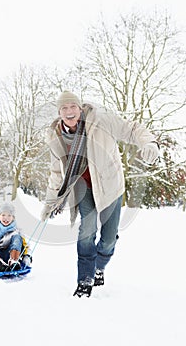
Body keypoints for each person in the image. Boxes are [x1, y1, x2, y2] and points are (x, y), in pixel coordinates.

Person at [41, 91, 160, 298]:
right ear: (59, 112)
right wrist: (51, 202)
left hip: (109, 185)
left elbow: (131, 129)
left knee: (108, 240)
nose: (69, 112)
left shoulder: (101, 120)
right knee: (86, 230)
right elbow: (56, 172)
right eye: (64, 108)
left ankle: (99, 266)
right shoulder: (55, 136)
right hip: (82, 187)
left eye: (73, 107)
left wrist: (149, 143)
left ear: (80, 107)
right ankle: (85, 280)